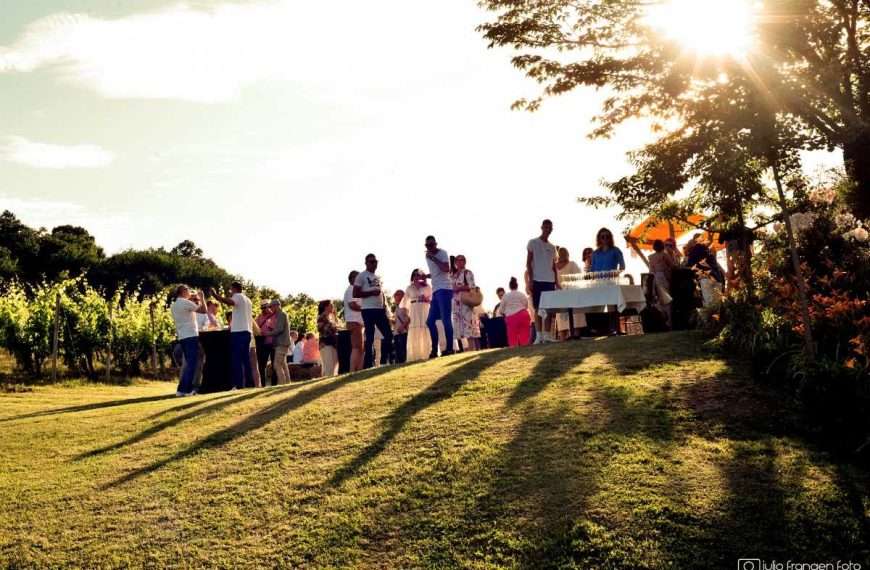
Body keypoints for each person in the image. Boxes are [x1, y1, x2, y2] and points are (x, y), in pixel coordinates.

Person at [210, 282, 254, 391]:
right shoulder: (248, 300)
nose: (230, 292)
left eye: (230, 289)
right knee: (246, 360)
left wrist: (215, 296)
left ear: (234, 288)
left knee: (236, 359)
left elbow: (230, 302)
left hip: (238, 332)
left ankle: (238, 385)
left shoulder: (237, 296)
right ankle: (249, 384)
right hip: (247, 331)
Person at [353, 253, 393, 368]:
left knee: (388, 335)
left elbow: (381, 293)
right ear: (366, 263)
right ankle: (368, 364)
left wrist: (384, 305)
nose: (374, 264)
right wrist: (371, 292)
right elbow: (355, 293)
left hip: (379, 310)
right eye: (371, 262)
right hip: (368, 310)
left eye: (375, 262)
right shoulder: (361, 276)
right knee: (369, 337)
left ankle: (384, 361)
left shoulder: (377, 277)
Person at [170, 285, 208, 396]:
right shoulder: (185, 302)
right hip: (191, 335)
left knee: (189, 363)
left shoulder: (175, 305)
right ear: (183, 291)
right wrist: (202, 298)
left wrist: (193, 296)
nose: (189, 292)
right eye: (187, 290)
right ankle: (186, 390)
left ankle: (181, 389)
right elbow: (203, 310)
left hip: (182, 336)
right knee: (192, 363)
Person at [527, 219, 559, 344]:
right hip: (537, 280)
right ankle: (539, 336)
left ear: (551, 229)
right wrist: (530, 280)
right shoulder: (533, 243)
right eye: (545, 227)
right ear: (542, 227)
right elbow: (528, 262)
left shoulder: (552, 247)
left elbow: (553, 267)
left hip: (549, 281)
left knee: (549, 309)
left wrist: (557, 282)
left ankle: (547, 335)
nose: (547, 229)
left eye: (549, 227)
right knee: (538, 308)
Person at [424, 236, 454, 357]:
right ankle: (434, 350)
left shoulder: (442, 253)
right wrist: (427, 276)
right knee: (430, 321)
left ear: (436, 244)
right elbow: (437, 273)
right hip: (436, 290)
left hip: (445, 289)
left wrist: (433, 258)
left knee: (446, 319)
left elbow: (446, 268)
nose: (430, 248)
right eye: (427, 246)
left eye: (431, 245)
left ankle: (450, 348)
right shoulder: (427, 256)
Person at [401, 269, 433, 362]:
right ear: (412, 277)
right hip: (414, 310)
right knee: (415, 330)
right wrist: (406, 316)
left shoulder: (427, 287)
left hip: (425, 309)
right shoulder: (409, 288)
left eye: (419, 275)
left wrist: (426, 299)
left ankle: (428, 353)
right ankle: (414, 356)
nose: (417, 276)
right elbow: (404, 304)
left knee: (426, 329)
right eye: (415, 275)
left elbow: (433, 300)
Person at [555, 247, 586, 340]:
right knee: (561, 318)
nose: (562, 255)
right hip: (560, 296)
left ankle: (576, 336)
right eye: (560, 253)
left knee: (575, 318)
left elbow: (579, 277)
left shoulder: (572, 264)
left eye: (564, 253)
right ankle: (563, 337)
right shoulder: (553, 267)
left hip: (572, 295)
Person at [452, 254, 481, 351]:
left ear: (465, 261)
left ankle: (472, 349)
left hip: (466, 301)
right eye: (458, 260)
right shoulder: (453, 275)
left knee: (468, 326)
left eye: (462, 260)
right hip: (456, 304)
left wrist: (459, 288)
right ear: (455, 262)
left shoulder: (467, 273)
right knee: (460, 329)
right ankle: (465, 350)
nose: (460, 262)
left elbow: (472, 286)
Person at [263, 300, 291, 385]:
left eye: (271, 307)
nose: (270, 309)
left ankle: (282, 383)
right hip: (283, 342)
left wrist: (267, 333)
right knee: (283, 364)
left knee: (276, 365)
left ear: (276, 306)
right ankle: (287, 382)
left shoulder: (281, 315)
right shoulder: (280, 315)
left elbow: (279, 329)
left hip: (281, 343)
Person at [500, 277, 532, 347]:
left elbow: (501, 310)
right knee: (525, 335)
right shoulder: (522, 294)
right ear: (517, 286)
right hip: (523, 315)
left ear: (509, 287)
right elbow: (526, 306)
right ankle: (525, 349)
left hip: (511, 317)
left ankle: (514, 349)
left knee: (512, 337)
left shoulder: (505, 296)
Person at [343, 271, 364, 372]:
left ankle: (358, 369)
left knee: (359, 347)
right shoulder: (351, 289)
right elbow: (352, 305)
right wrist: (364, 308)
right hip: (354, 321)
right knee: (356, 347)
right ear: (352, 279)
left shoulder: (353, 290)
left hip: (356, 322)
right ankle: (353, 370)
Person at [255, 301, 276, 386]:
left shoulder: (274, 315)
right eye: (262, 308)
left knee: (274, 365)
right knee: (261, 365)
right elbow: (255, 328)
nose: (264, 309)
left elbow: (277, 328)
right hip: (262, 343)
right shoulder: (259, 317)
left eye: (266, 307)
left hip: (273, 343)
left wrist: (271, 327)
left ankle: (274, 384)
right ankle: (262, 384)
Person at [317, 300, 340, 377]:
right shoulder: (321, 317)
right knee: (329, 366)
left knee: (334, 364)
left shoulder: (331, 317)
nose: (333, 307)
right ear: (326, 307)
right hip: (325, 344)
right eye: (331, 305)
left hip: (333, 344)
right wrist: (333, 328)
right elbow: (321, 330)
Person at [391, 290, 410, 364]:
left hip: (403, 332)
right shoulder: (396, 308)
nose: (396, 296)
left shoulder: (405, 306)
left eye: (398, 295)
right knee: (398, 354)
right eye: (395, 295)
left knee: (403, 353)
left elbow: (409, 318)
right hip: (396, 333)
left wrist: (402, 326)